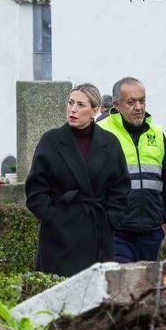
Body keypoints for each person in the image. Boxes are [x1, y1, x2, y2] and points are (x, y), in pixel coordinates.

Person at [26, 83, 129, 277]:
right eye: (70, 102)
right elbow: (35, 190)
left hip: (97, 232)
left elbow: (120, 187)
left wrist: (110, 220)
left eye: (81, 105)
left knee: (93, 298)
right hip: (58, 237)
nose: (73, 109)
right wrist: (52, 218)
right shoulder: (51, 140)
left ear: (95, 110)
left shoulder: (110, 143)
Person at [98, 77, 166, 262]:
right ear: (116, 105)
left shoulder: (156, 134)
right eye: (131, 102)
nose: (139, 107)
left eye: (142, 100)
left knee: (149, 288)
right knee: (123, 285)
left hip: (152, 232)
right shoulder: (100, 133)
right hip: (116, 233)